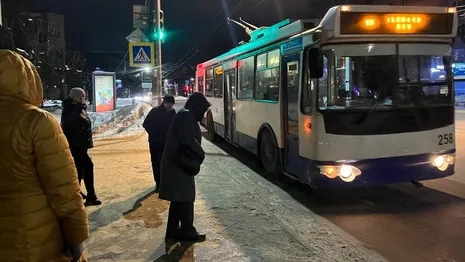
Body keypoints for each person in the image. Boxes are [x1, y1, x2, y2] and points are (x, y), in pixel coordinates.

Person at [0, 49, 89, 261]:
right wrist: (76, 237)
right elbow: (63, 190)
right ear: (27, 80)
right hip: (32, 239)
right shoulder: (36, 120)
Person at [159, 92, 211, 242]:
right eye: (203, 110)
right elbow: (187, 140)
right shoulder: (186, 116)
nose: (203, 114)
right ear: (197, 107)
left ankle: (173, 230)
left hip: (177, 163)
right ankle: (187, 231)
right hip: (179, 165)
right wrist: (201, 153)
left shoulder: (186, 115)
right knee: (186, 198)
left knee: (178, 199)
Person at [62, 87, 102, 206]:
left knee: (79, 169)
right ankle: (91, 195)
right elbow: (70, 128)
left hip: (81, 145)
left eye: (83, 96)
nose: (82, 98)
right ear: (73, 97)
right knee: (87, 166)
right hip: (76, 146)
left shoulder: (79, 108)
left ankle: (77, 193)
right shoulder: (71, 110)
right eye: (80, 96)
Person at [143, 95, 176, 192]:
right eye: (168, 103)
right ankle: (158, 183)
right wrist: (155, 134)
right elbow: (146, 124)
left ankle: (166, 182)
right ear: (164, 103)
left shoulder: (172, 112)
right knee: (157, 163)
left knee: (166, 163)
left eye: (171, 104)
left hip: (167, 143)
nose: (170, 106)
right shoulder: (155, 111)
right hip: (155, 143)